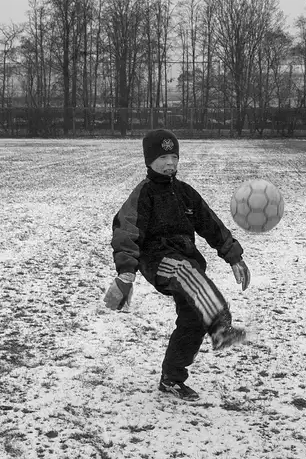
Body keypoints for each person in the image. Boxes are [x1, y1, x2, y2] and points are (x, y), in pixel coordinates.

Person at [104, 129, 251, 401]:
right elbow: (126, 232)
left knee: (193, 319)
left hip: (187, 263)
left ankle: (171, 378)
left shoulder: (185, 193)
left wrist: (234, 256)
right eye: (163, 157)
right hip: (157, 261)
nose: (170, 162)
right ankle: (220, 329)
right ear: (149, 161)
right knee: (185, 270)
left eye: (174, 156)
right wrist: (126, 273)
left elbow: (211, 224)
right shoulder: (143, 195)